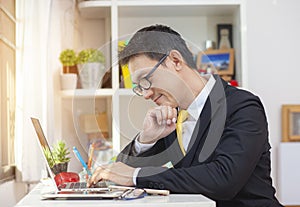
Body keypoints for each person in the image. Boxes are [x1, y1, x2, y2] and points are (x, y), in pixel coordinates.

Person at [88, 24, 283, 207]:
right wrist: (145, 139)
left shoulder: (242, 106)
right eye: (139, 87)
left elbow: (224, 179)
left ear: (175, 61)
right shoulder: (172, 118)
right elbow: (121, 173)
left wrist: (136, 176)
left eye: (146, 79)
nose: (146, 94)